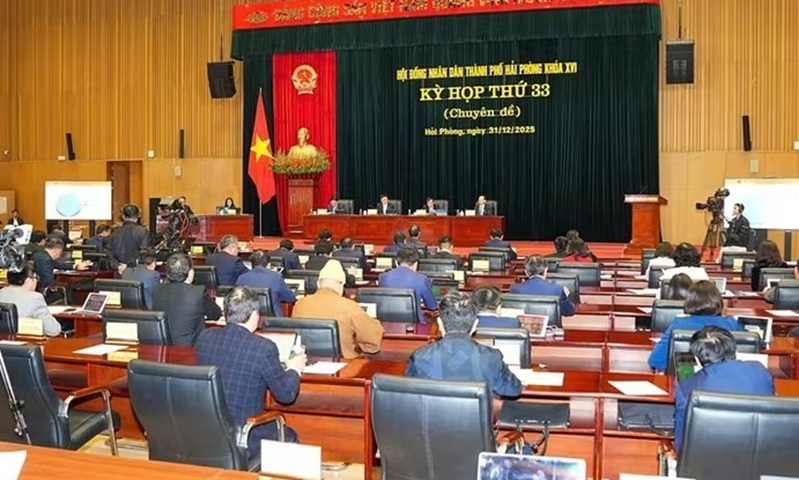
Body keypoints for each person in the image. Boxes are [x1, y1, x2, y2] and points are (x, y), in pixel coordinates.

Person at [196, 286, 306, 460]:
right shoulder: (263, 347)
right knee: (290, 435)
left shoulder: (205, 338)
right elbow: (286, 395)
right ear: (255, 315)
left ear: (226, 312)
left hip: (208, 431)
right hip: (246, 434)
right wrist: (294, 368)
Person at [674, 326, 774, 452]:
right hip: (763, 451)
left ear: (697, 358)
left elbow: (681, 443)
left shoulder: (686, 387)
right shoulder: (760, 370)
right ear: (734, 349)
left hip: (710, 457)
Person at [406, 291, 522, 398]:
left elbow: (408, 393)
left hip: (432, 414)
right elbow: (514, 390)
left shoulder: (420, 356)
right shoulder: (492, 357)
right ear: (475, 325)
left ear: (439, 324)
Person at [292, 260, 384, 358]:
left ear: (318, 284)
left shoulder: (299, 303)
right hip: (343, 362)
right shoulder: (348, 306)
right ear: (341, 285)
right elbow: (372, 338)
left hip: (304, 360)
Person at [648, 280, 743, 372]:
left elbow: (656, 361)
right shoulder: (732, 324)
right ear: (719, 301)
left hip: (686, 376)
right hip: (725, 378)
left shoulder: (679, 324)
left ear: (688, 302)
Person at [152, 253, 222, 347]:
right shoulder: (198, 292)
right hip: (191, 349)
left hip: (163, 348)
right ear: (191, 272)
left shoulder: (157, 290)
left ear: (168, 274)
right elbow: (216, 314)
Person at [0, 265, 62, 336]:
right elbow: (53, 330)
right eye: (36, 278)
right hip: (25, 341)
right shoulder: (35, 298)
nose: (37, 281)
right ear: (28, 280)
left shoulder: (1, 292)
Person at [378, 248, 437, 322]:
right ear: (416, 264)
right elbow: (432, 306)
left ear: (396, 263)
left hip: (387, 322)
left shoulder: (382, 277)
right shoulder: (422, 279)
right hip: (415, 324)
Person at [236, 250, 297, 317]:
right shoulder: (276, 277)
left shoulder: (241, 278)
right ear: (268, 264)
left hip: (248, 318)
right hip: (272, 320)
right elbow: (290, 298)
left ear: (251, 264)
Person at [509, 256, 575, 316]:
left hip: (524, 324)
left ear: (526, 272)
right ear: (546, 270)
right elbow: (569, 312)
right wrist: (565, 298)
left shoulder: (515, 289)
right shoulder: (558, 289)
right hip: (550, 325)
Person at [108, 204, 150, 272]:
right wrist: (129, 266)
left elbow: (109, 252)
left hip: (119, 270)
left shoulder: (115, 232)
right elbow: (144, 252)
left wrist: (117, 265)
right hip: (136, 271)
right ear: (138, 216)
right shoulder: (143, 231)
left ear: (123, 216)